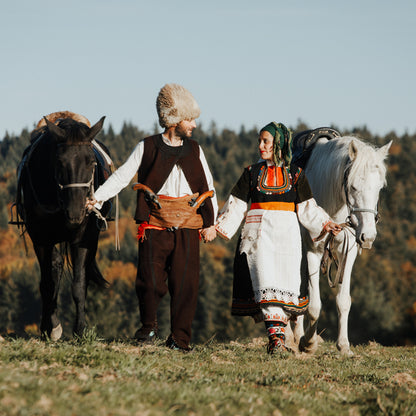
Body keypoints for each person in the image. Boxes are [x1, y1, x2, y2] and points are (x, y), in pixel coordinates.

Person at [86, 83, 218, 351]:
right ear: (173, 118)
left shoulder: (195, 150)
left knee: (186, 286)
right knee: (149, 281)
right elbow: (122, 176)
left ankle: (180, 340)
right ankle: (149, 329)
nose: (193, 125)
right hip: (154, 224)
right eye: (189, 119)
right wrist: (97, 198)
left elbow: (208, 186)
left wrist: (211, 223)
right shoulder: (146, 147)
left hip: (189, 227)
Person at [215, 122, 341, 354]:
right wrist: (217, 227)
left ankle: (278, 341)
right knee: (265, 285)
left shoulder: (296, 175)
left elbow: (307, 208)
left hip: (287, 240)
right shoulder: (251, 173)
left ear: (279, 145)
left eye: (266, 142)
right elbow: (236, 205)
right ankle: (276, 342)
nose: (260, 145)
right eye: (260, 141)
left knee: (285, 287)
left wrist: (326, 223)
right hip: (259, 239)